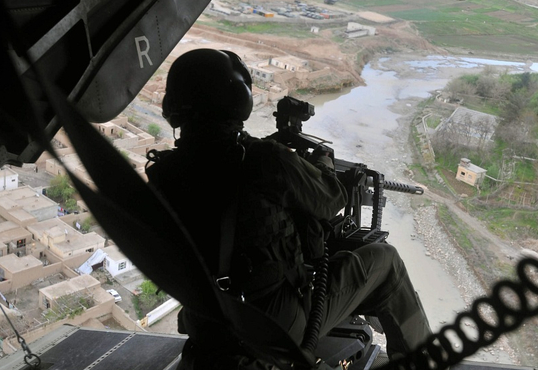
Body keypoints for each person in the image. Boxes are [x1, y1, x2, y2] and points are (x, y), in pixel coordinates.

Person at [145, 48, 431, 369]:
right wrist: (321, 163)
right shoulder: (263, 159)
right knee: (385, 261)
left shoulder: (163, 172)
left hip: (207, 323)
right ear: (239, 100)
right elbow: (331, 199)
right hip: (274, 326)